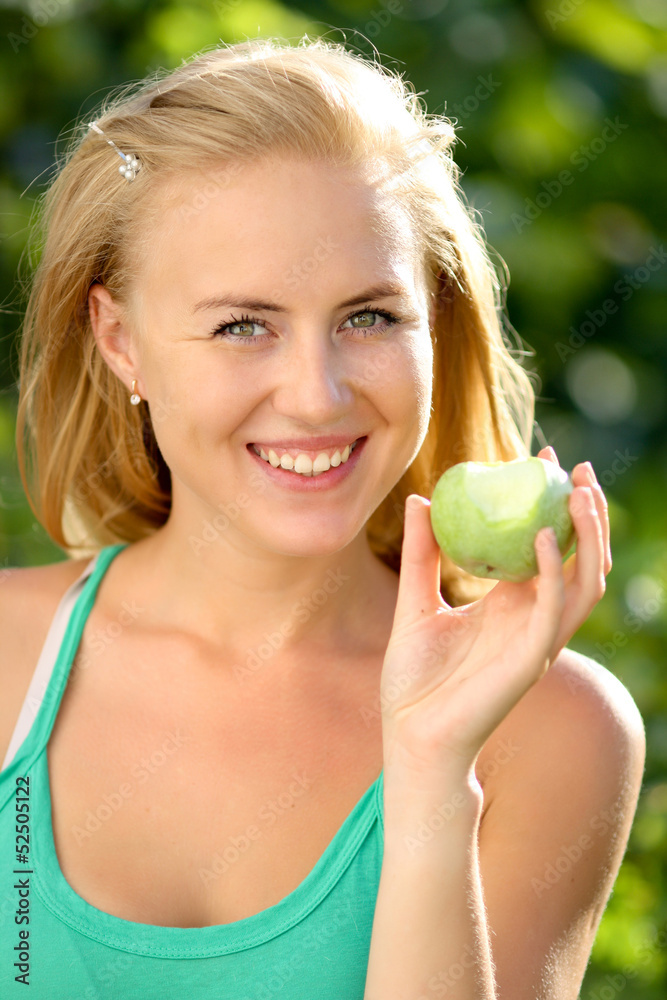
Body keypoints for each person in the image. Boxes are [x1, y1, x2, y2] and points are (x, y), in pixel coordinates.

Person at [0, 35, 645, 1000]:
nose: (315, 396)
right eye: (241, 325)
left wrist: (431, 769)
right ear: (120, 341)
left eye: (369, 317)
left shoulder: (551, 730)